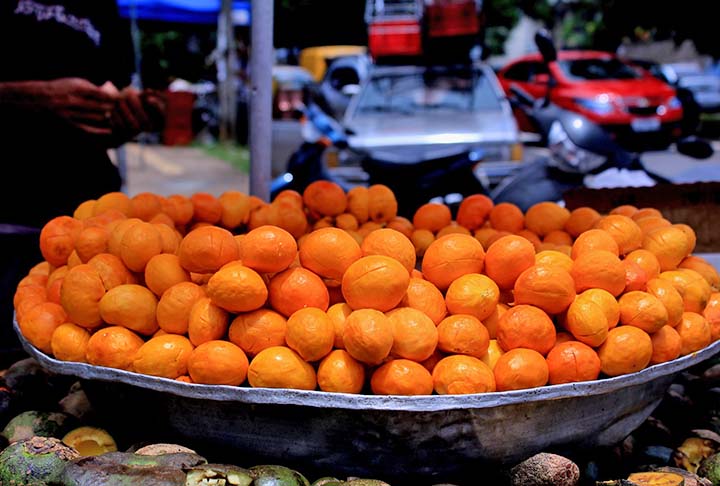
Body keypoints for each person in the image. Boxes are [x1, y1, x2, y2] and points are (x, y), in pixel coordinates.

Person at [0, 0, 165, 361]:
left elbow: (104, 115)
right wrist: (30, 98)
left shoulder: (103, 9)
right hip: (8, 210)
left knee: (84, 364)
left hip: (87, 223)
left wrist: (130, 115)